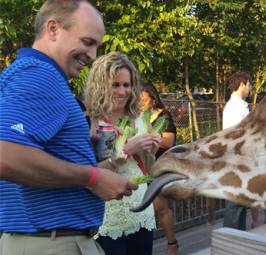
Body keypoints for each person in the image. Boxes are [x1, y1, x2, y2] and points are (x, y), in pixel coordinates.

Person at [0, 1, 138, 255]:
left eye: (96, 45)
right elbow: (6, 157)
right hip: (51, 243)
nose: (94, 55)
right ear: (53, 29)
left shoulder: (33, 74)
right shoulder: (39, 75)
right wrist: (93, 178)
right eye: (87, 42)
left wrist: (83, 145)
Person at [84, 52, 161, 255]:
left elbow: (150, 171)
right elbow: (85, 173)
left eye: (126, 85)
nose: (122, 91)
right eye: (115, 85)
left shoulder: (140, 119)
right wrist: (127, 150)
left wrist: (152, 152)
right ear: (101, 86)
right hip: (107, 217)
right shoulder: (90, 121)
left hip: (142, 211)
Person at [140, 85, 179, 255]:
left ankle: (172, 243)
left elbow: (168, 142)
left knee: (160, 207)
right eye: (138, 99)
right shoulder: (136, 116)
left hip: (159, 167)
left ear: (153, 100)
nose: (140, 103)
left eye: (144, 100)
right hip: (141, 168)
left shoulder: (163, 116)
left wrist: (146, 135)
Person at [222, 71, 252, 230]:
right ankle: (230, 239)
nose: (250, 88)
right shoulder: (236, 106)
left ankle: (238, 236)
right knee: (235, 203)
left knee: (239, 203)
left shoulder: (236, 104)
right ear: (242, 84)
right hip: (236, 159)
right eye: (249, 85)